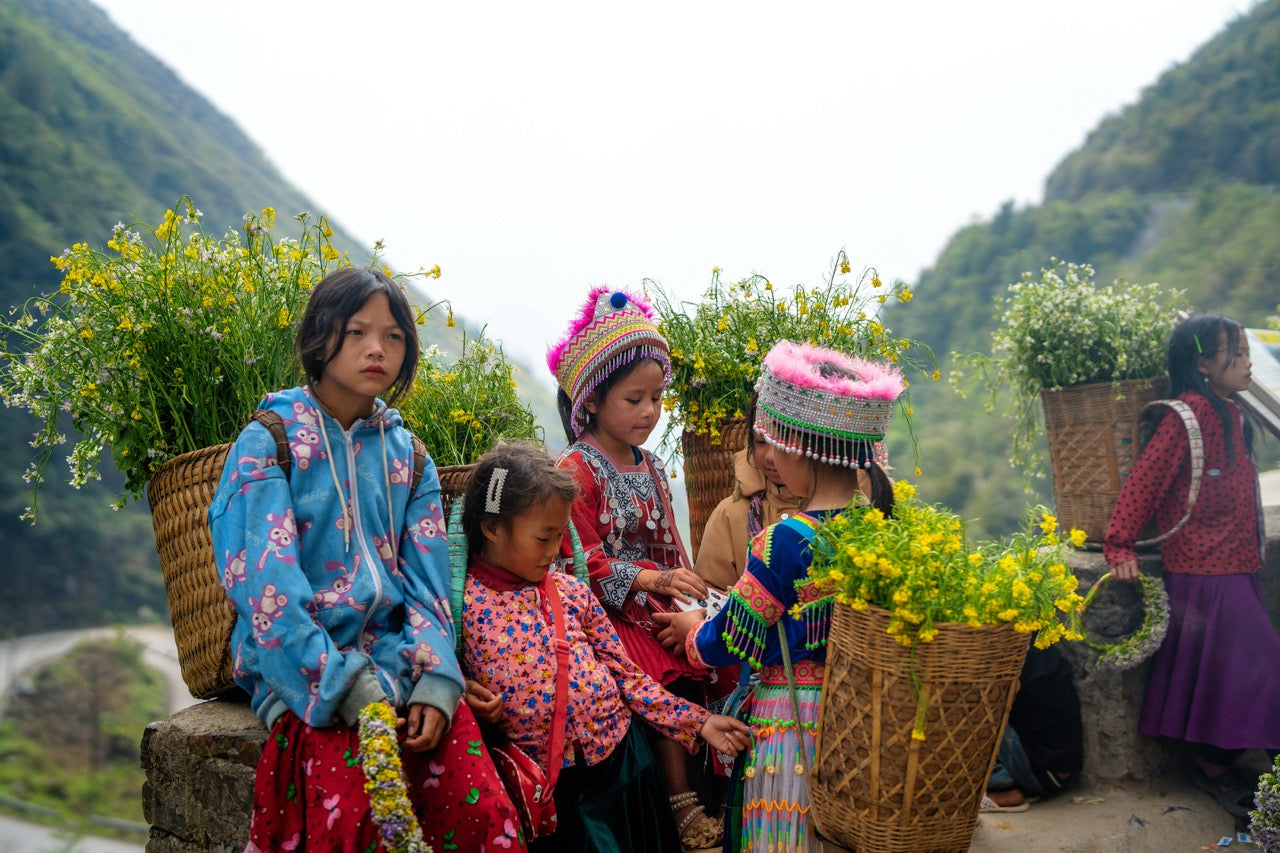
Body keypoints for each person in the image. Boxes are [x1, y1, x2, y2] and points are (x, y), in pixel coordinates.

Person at [209, 267, 520, 852]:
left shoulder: (411, 458)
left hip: (401, 665)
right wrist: (342, 686)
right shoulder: (270, 443)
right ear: (319, 337)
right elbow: (269, 595)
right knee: (354, 821)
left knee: (482, 811)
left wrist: (437, 681)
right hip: (307, 677)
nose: (377, 348)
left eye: (393, 336)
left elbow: (429, 589)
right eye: (357, 332)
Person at [657, 339, 905, 853]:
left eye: (771, 443)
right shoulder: (881, 531)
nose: (767, 456)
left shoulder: (784, 541)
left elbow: (730, 639)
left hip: (795, 725)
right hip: (864, 715)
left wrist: (692, 631)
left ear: (795, 448)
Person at [457, 441, 752, 852]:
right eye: (543, 538)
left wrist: (699, 722)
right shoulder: (460, 608)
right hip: (551, 795)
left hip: (624, 774)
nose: (554, 551)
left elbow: (628, 677)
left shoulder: (570, 592)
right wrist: (461, 691)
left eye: (560, 536)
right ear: (491, 528)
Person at [546, 285, 724, 848]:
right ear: (592, 401)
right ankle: (682, 804)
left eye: (657, 397)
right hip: (604, 613)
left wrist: (694, 601)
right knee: (661, 666)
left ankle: (727, 786)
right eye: (634, 398)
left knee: (715, 647)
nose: (650, 410)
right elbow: (580, 562)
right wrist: (653, 582)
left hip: (657, 602)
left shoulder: (651, 464)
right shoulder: (575, 469)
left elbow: (672, 548)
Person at [1104, 312, 1280, 819]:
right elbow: (1143, 484)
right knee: (1263, 671)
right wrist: (1120, 547)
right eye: (1236, 353)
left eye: (1246, 351)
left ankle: (1217, 767)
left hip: (1237, 569)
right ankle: (1217, 770)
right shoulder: (1185, 418)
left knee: (1228, 679)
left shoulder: (1230, 413)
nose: (1247, 362)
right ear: (1203, 364)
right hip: (1203, 576)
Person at [693, 392, 805, 593]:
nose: (771, 456)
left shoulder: (842, 506)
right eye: (761, 442)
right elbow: (708, 595)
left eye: (783, 442)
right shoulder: (730, 514)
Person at [979, 644, 1084, 812]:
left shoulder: (1005, 652)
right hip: (1057, 772)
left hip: (1039, 771)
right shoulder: (1036, 644)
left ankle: (1001, 788)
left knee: (965, 708)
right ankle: (1006, 783)